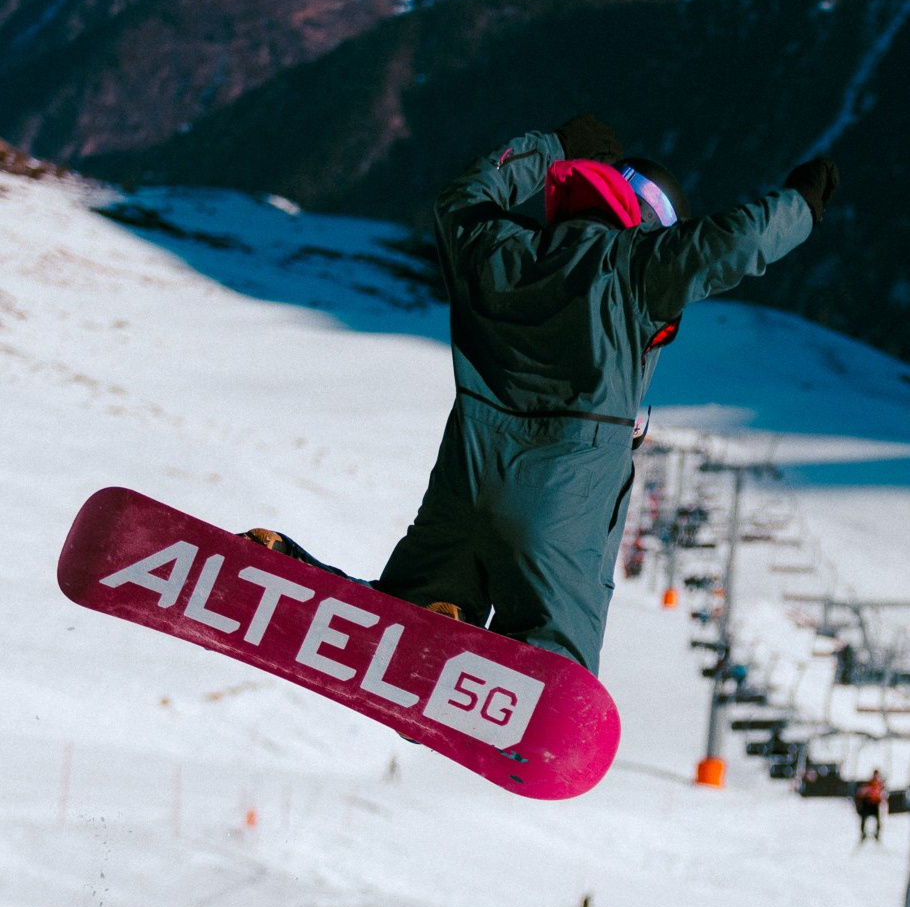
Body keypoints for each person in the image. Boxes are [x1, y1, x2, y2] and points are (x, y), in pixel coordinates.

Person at [245, 115, 838, 675]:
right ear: (651, 222)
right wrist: (802, 206)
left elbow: (462, 197)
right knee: (552, 669)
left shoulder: (496, 248)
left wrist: (554, 145)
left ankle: (290, 573)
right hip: (562, 501)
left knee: (409, 614)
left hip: (465, 479)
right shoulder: (638, 267)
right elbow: (731, 243)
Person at [854, 769, 886, 842]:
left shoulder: (879, 785)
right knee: (864, 819)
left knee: (878, 821)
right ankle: (863, 833)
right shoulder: (868, 784)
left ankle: (877, 834)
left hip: (875, 805)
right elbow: (861, 793)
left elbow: (882, 796)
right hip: (868, 804)